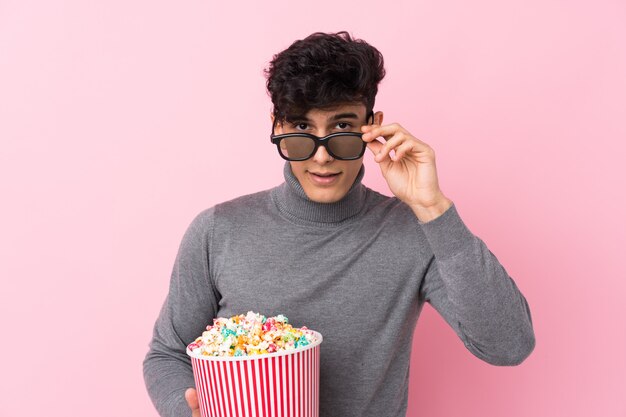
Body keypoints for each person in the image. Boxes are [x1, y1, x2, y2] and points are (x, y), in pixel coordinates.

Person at [143, 31, 535, 417]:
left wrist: (432, 207)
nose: (322, 157)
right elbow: (167, 353)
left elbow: (509, 344)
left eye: (343, 129)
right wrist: (187, 411)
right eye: (301, 130)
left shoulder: (415, 231)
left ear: (373, 125)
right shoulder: (218, 230)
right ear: (277, 125)